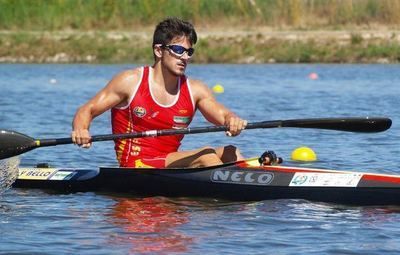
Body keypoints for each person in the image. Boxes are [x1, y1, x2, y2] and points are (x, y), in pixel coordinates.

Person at [71, 17, 247, 168]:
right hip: (137, 165)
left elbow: (222, 115)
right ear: (158, 51)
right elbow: (87, 110)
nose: (185, 57)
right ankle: (230, 201)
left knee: (231, 152)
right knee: (206, 155)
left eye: (189, 52)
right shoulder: (130, 82)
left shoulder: (195, 90)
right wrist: (81, 130)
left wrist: (232, 120)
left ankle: (250, 195)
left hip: (169, 163)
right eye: (178, 50)